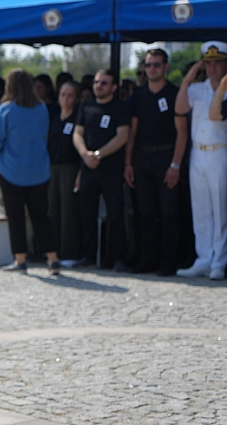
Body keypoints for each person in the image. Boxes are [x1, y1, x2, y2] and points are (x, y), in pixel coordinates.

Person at [0, 69, 61, 274]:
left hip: (11, 169)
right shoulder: (42, 108)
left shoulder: (5, 109)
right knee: (41, 215)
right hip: (39, 169)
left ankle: (20, 259)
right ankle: (53, 259)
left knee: (16, 216)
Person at [123, 48, 186, 275]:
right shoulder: (138, 96)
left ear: (166, 67)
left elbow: (182, 132)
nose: (152, 69)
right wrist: (128, 162)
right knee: (145, 212)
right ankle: (147, 260)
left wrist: (175, 165)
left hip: (166, 157)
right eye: (148, 65)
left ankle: (168, 262)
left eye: (156, 65)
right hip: (142, 158)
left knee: (168, 212)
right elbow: (132, 131)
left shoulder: (174, 93)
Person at [175, 41, 227, 279]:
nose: (212, 68)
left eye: (217, 63)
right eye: (208, 63)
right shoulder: (196, 88)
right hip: (198, 153)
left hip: (219, 151)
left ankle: (219, 261)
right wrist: (189, 78)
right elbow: (180, 108)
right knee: (201, 210)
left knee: (220, 209)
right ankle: (203, 258)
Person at [72, 68, 131, 271]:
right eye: (97, 82)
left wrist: (98, 155)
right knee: (87, 213)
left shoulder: (120, 108)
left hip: (111, 168)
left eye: (104, 83)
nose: (99, 86)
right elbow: (77, 134)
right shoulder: (86, 106)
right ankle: (88, 256)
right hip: (88, 167)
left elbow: (122, 136)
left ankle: (118, 258)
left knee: (115, 214)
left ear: (114, 87)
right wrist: (85, 154)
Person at [48, 81, 82, 263]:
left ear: (76, 98)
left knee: (68, 210)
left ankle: (69, 253)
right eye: (63, 95)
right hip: (53, 167)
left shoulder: (78, 119)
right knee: (52, 209)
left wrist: (80, 173)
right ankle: (53, 252)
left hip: (71, 167)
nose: (65, 99)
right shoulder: (54, 120)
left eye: (70, 95)